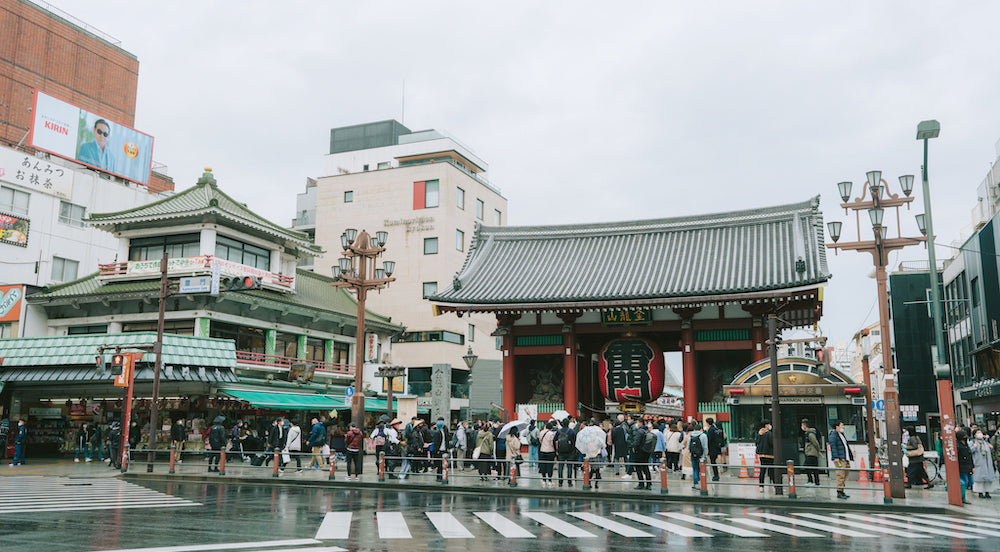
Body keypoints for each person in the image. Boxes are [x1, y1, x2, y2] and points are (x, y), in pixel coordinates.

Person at [829, 420, 854, 499]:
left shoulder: (841, 434)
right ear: (837, 426)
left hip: (845, 458)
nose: (843, 427)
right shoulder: (834, 435)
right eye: (842, 425)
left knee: (845, 475)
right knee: (840, 475)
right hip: (839, 459)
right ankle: (839, 492)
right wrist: (836, 457)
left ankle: (842, 491)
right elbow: (833, 446)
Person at [756, 420, 780, 494]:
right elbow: (772, 443)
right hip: (769, 454)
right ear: (766, 425)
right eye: (768, 424)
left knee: (762, 470)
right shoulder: (769, 434)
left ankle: (761, 487)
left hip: (761, 454)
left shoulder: (759, 433)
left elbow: (756, 443)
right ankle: (775, 486)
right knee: (771, 470)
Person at [970, 429, 995, 499]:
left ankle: (987, 492)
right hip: (978, 464)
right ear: (974, 435)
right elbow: (970, 451)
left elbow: (990, 451)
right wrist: (974, 447)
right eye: (978, 433)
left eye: (980, 433)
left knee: (988, 479)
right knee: (979, 480)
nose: (980, 434)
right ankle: (980, 493)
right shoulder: (972, 442)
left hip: (987, 464)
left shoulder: (985, 443)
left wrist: (991, 447)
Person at [555, 418, 578, 487]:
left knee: (560, 467)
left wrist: (556, 449)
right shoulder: (572, 431)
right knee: (569, 467)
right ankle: (569, 482)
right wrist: (574, 449)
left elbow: (554, 440)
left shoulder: (558, 431)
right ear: (568, 423)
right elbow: (575, 441)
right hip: (570, 452)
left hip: (561, 451)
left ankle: (560, 482)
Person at [634, 422, 656, 490]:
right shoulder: (648, 431)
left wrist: (634, 447)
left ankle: (641, 484)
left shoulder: (640, 431)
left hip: (640, 452)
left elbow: (637, 442)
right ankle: (649, 484)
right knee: (645, 467)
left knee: (638, 468)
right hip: (647, 452)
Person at [687, 422, 708, 490]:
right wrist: (705, 455)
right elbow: (705, 447)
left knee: (695, 469)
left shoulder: (691, 436)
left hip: (693, 455)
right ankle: (702, 483)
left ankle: (695, 483)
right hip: (701, 455)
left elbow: (688, 447)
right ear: (700, 429)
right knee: (702, 470)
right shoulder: (703, 436)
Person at [801, 419, 822, 486]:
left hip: (811, 452)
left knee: (807, 466)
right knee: (814, 467)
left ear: (805, 425)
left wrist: (818, 450)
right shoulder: (808, 433)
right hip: (812, 452)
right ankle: (816, 482)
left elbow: (815, 442)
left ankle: (811, 481)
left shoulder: (810, 433)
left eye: (802, 425)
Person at [705, 417, 726, 481]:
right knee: (715, 459)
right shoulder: (716, 429)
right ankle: (718, 471)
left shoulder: (710, 430)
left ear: (708, 423)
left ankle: (716, 475)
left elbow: (709, 439)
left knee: (713, 462)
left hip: (712, 448)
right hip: (718, 447)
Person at [956, 430, 974, 504]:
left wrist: (973, 466)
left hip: (968, 466)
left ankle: (962, 497)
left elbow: (970, 456)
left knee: (970, 482)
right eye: (964, 435)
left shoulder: (966, 445)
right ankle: (962, 497)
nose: (965, 437)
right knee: (964, 482)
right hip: (962, 466)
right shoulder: (958, 445)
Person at [538, 421, 557, 486]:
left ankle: (544, 479)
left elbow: (540, 441)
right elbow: (552, 443)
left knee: (543, 465)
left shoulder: (541, 432)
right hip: (550, 451)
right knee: (550, 466)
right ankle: (549, 480)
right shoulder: (551, 434)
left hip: (542, 450)